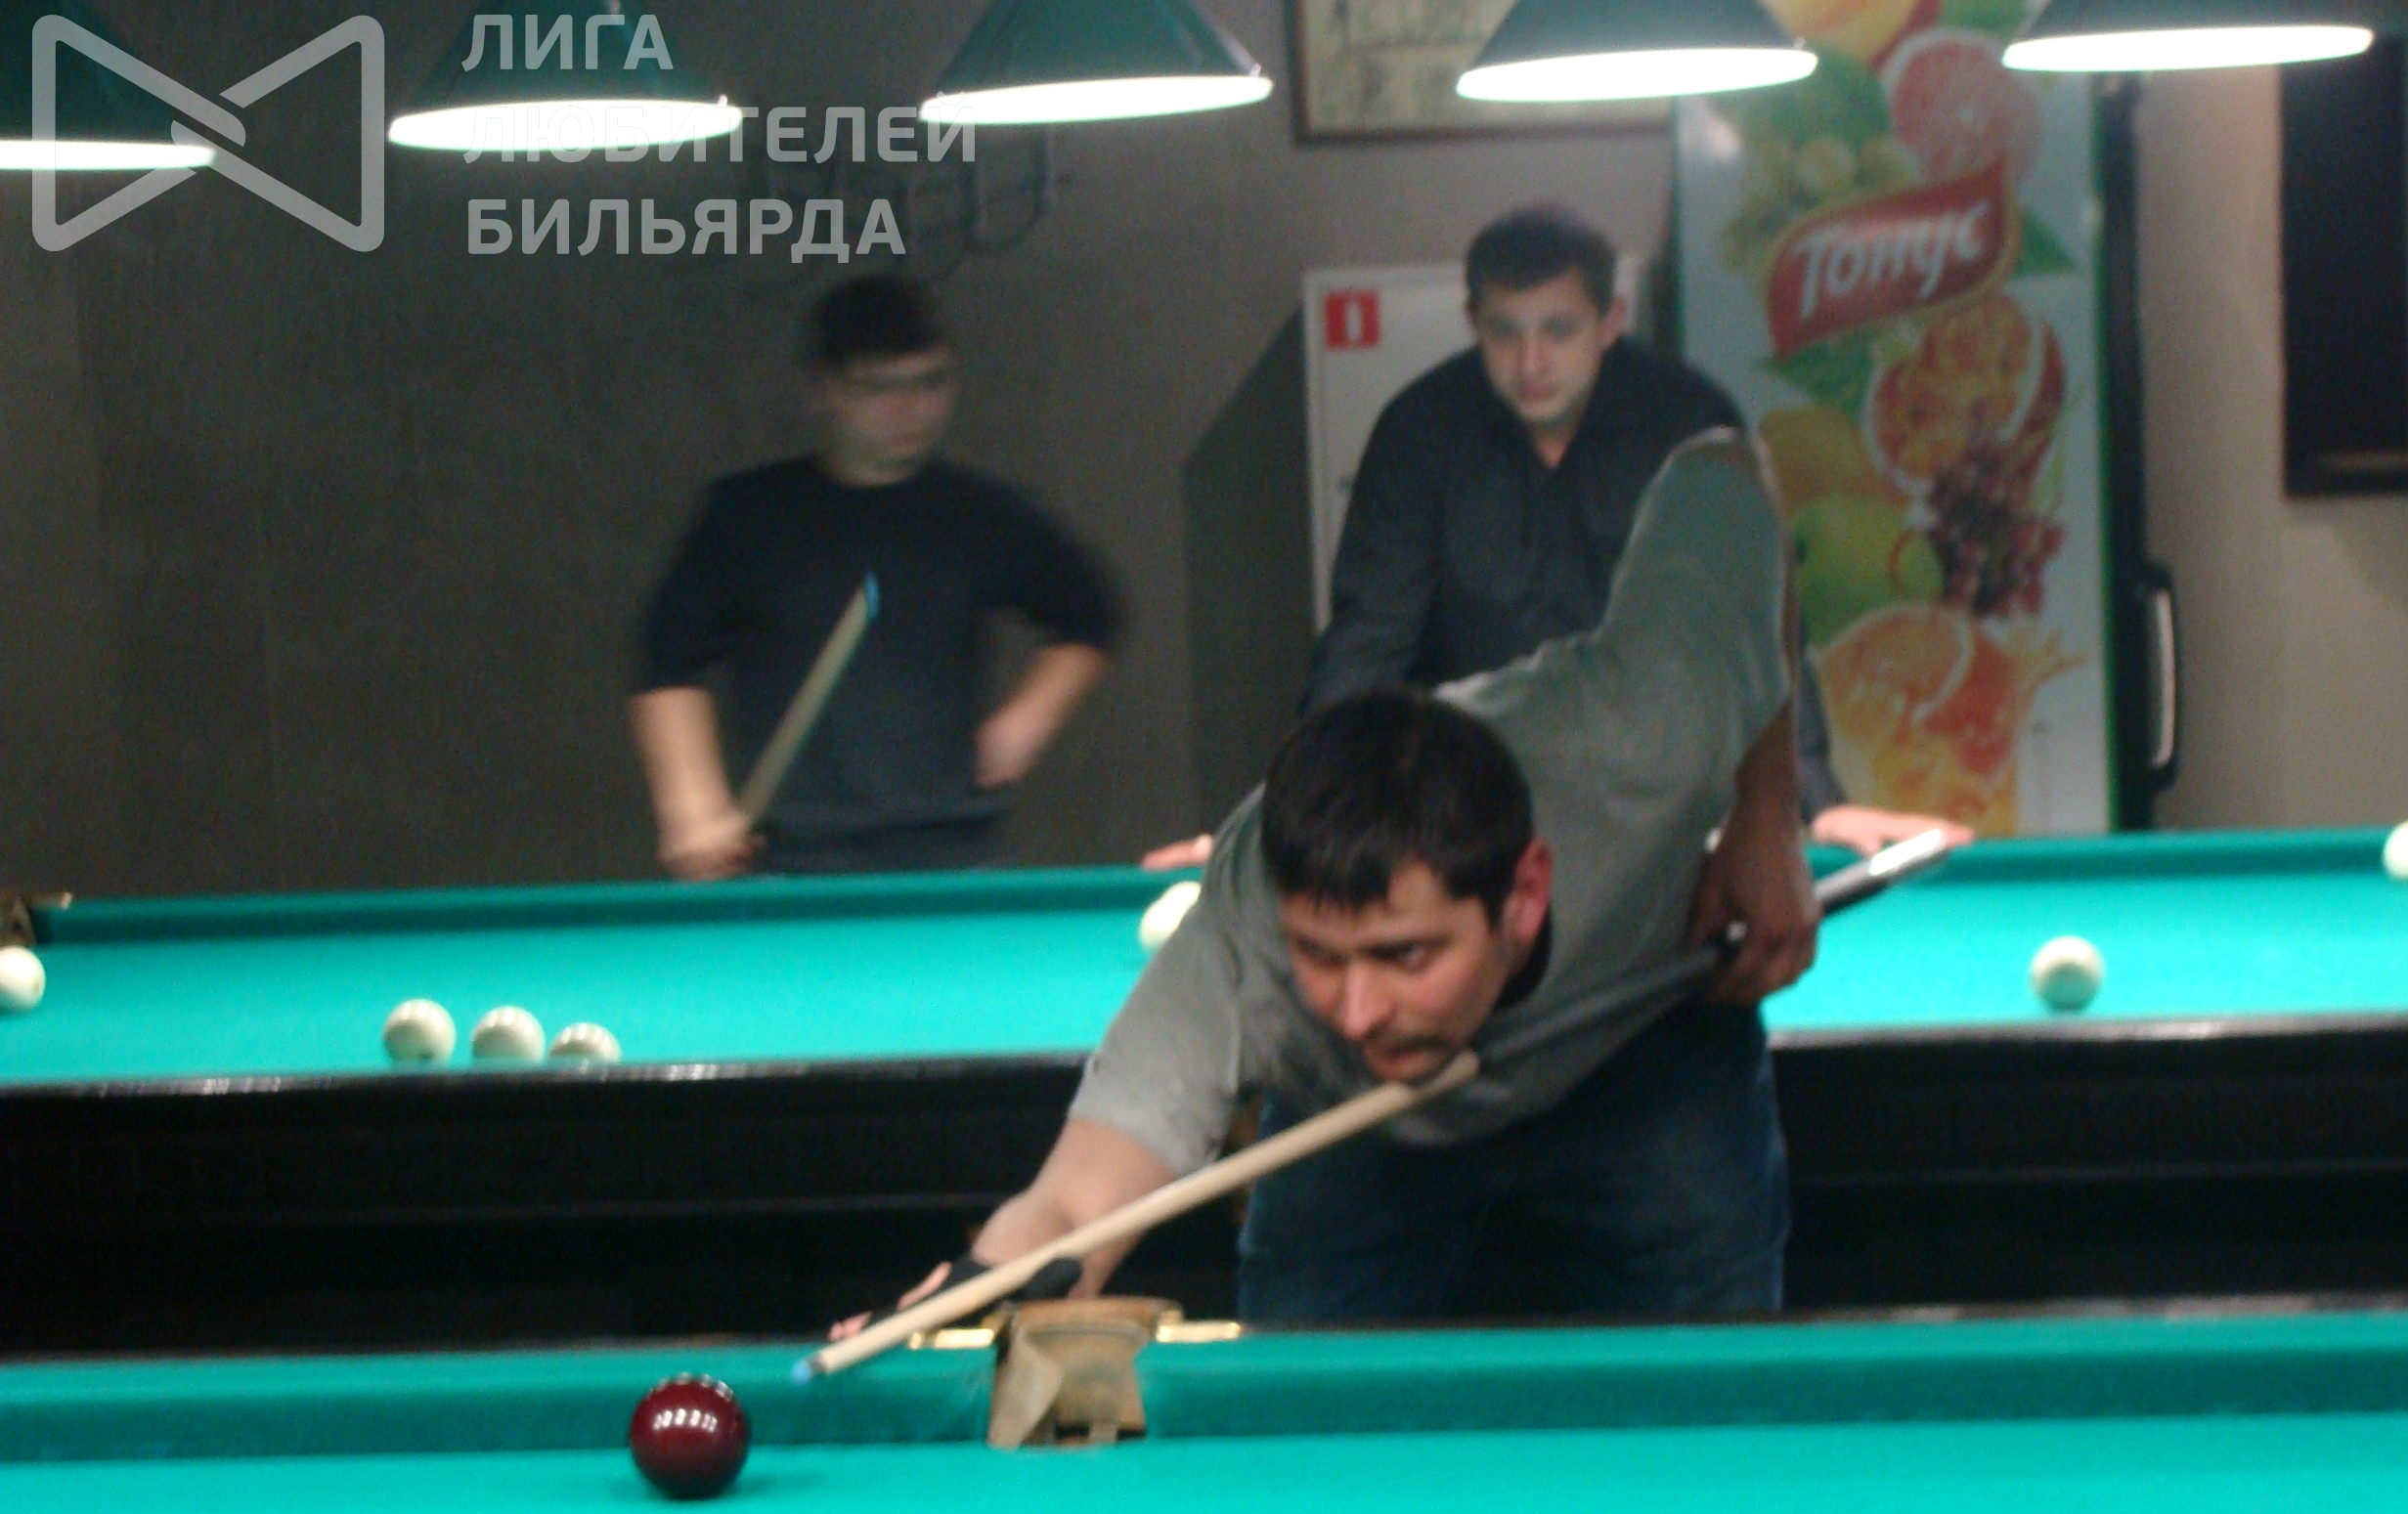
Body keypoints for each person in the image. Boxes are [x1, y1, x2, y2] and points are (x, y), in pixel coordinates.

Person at [851, 430, 1814, 1328]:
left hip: (1638, 1049)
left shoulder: (1645, 737)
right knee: (1297, 1399)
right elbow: (1073, 1203)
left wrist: (1768, 817)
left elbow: (1727, 470)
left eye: (1405, 955)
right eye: (1321, 955)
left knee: (1714, 1396)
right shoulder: (1245, 931)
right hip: (1355, 1126)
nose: (1356, 1012)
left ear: (1523, 895)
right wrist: (979, 1292)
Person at [1144, 206, 1961, 872]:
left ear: (1610, 320)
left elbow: (1755, 624)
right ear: (1472, 322)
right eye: (1504, 331)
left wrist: (1815, 800)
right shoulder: (1419, 433)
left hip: (1663, 811)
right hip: (1468, 815)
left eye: (1558, 329)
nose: (1530, 360)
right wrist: (1291, 817)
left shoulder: (1688, 421)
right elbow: (1364, 648)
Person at [634, 278, 1118, 879]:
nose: (911, 410)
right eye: (880, 388)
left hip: (958, 859)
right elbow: (665, 663)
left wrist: (1027, 719)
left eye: (930, 382)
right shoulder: (747, 515)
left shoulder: (982, 514)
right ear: (821, 389)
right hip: (793, 862)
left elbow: (1091, 615)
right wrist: (692, 807)